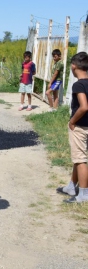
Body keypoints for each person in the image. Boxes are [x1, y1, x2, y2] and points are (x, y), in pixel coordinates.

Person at [56, 52, 88, 203]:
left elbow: (84, 107)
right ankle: (71, 186)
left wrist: (72, 121)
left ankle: (83, 194)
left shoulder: (78, 85)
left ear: (74, 66)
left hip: (80, 127)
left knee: (80, 159)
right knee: (78, 157)